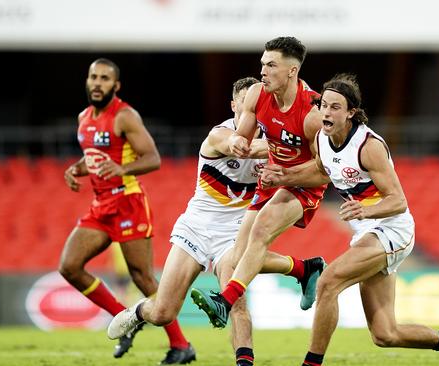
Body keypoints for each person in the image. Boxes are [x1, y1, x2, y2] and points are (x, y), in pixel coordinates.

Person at [261, 73, 439, 366]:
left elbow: (398, 201)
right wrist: (284, 176)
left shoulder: (369, 146)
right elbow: (322, 170)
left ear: (351, 112)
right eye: (323, 105)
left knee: (327, 282)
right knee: (385, 334)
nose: (326, 112)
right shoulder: (322, 138)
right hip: (368, 232)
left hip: (392, 229)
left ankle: (311, 363)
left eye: (335, 107)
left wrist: (366, 210)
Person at [108, 77, 322, 366]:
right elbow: (239, 145)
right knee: (163, 313)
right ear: (235, 105)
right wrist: (269, 143)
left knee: (236, 301)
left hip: (235, 228)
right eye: (247, 102)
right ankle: (136, 314)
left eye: (258, 103)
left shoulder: (273, 137)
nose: (254, 108)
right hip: (196, 226)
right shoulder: (219, 134)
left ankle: (244, 362)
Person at [58, 58, 195, 364]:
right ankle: (124, 317)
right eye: (93, 77)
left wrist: (122, 168)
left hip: (128, 201)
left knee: (143, 278)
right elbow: (94, 159)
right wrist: (76, 169)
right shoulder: (84, 118)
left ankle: (181, 345)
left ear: (115, 85)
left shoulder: (125, 116)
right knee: (69, 266)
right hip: (100, 205)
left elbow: (153, 158)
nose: (97, 83)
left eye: (105, 78)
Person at [190, 36, 327, 329]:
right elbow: (244, 135)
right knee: (238, 257)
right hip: (273, 179)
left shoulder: (313, 112)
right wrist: (239, 142)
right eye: (262, 64)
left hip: (302, 183)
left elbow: (325, 171)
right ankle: (306, 269)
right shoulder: (255, 93)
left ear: (292, 71)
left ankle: (223, 303)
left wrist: (287, 175)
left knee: (260, 230)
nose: (263, 71)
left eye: (271, 65)